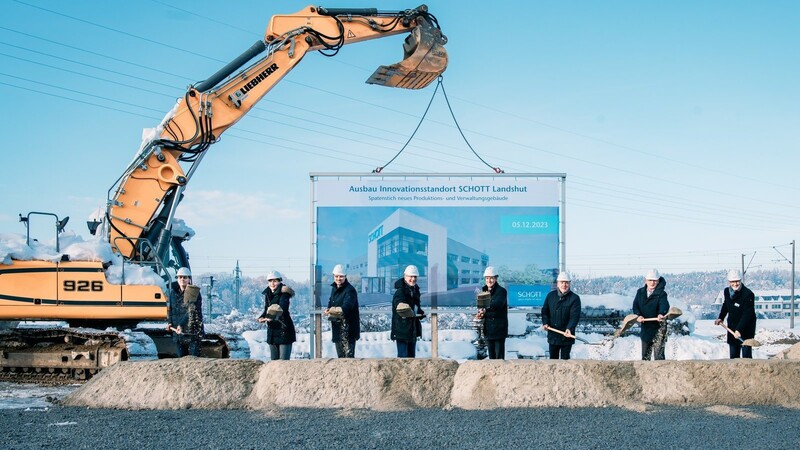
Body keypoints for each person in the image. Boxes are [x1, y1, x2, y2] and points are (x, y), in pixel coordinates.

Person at [715, 269, 757, 359]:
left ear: (740, 280)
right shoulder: (727, 292)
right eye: (732, 282)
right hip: (732, 326)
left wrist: (739, 330)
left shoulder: (748, 294)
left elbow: (747, 314)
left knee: (746, 357)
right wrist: (721, 317)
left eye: (737, 281)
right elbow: (726, 305)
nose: (735, 284)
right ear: (729, 281)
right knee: (734, 356)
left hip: (746, 327)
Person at [541, 271, 581, 360]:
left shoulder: (575, 298)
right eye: (562, 282)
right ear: (558, 284)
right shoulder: (550, 296)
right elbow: (545, 311)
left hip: (566, 336)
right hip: (553, 335)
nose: (564, 285)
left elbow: (574, 317)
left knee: (565, 361)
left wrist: (569, 328)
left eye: (566, 282)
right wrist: (545, 322)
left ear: (569, 284)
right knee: (553, 360)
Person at [257, 270, 296, 360]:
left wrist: (271, 317)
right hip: (272, 330)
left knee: (283, 362)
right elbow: (266, 309)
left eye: (275, 281)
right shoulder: (268, 294)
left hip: (284, 329)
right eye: (270, 281)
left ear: (279, 281)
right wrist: (262, 317)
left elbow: (282, 308)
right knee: (274, 362)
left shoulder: (284, 293)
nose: (272, 283)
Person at [633, 269, 670, 360]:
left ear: (658, 281)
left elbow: (664, 305)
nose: (652, 283)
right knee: (645, 356)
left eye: (654, 280)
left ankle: (661, 373)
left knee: (659, 356)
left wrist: (661, 314)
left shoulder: (661, 294)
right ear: (645, 280)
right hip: (646, 326)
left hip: (659, 327)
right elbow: (635, 305)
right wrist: (638, 315)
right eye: (650, 280)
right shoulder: (640, 292)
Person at [325, 264, 361, 358]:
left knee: (348, 358)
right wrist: (329, 309)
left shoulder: (350, 290)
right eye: (336, 276)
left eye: (341, 276)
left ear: (345, 276)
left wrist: (337, 310)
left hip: (348, 328)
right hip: (337, 327)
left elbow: (347, 306)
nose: (338, 278)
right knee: (340, 358)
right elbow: (331, 301)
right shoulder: (334, 288)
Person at [167, 267, 204, 357]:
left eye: (185, 277)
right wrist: (169, 322)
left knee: (193, 359)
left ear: (189, 279)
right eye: (180, 277)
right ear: (177, 279)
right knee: (181, 360)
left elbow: (192, 310)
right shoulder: (173, 293)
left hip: (192, 332)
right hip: (178, 334)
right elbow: (171, 309)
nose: (182, 279)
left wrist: (181, 325)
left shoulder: (193, 292)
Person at [391, 265, 425, 358]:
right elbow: (399, 303)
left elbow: (414, 306)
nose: (413, 279)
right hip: (402, 329)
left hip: (411, 329)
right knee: (403, 359)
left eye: (415, 277)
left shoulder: (414, 290)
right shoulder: (400, 291)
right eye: (411, 276)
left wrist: (419, 312)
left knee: (411, 358)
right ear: (405, 276)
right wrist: (402, 306)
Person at [476, 266, 508, 359]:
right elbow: (481, 306)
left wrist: (484, 309)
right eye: (487, 278)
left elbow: (497, 305)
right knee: (491, 358)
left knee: (499, 358)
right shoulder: (483, 291)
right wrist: (480, 314)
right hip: (488, 329)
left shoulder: (502, 291)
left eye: (491, 278)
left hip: (499, 330)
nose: (489, 280)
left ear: (496, 278)